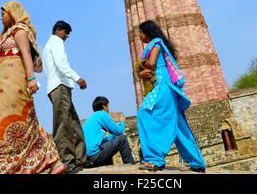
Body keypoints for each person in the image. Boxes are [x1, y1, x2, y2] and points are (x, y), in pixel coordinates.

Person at [0, 1, 66, 174]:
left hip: (15, 84)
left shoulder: (20, 31)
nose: (0, 18)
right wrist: (4, 28)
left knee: (22, 120)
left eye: (3, 14)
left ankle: (52, 159)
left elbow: (25, 54)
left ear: (12, 12)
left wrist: (31, 79)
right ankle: (19, 165)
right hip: (3, 87)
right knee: (3, 120)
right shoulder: (9, 32)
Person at [137, 20, 206, 173]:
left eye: (140, 32)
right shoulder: (158, 44)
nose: (139, 36)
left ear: (147, 32)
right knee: (178, 125)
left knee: (144, 114)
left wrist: (140, 68)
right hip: (167, 87)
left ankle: (155, 159)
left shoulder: (155, 43)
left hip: (162, 86)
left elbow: (151, 63)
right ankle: (196, 162)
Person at [43, 20, 87, 174]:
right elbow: (61, 64)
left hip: (60, 87)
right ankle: (67, 162)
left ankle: (81, 159)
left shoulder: (49, 45)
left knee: (73, 124)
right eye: (66, 32)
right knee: (63, 126)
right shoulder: (56, 42)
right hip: (59, 87)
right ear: (58, 30)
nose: (67, 36)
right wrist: (78, 78)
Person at [82, 96, 134, 167]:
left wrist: (112, 136)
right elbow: (119, 131)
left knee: (106, 147)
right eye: (108, 106)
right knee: (123, 139)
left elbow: (97, 143)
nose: (109, 108)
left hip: (88, 159)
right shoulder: (102, 114)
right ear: (104, 107)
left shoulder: (90, 119)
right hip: (95, 156)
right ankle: (130, 165)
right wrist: (122, 122)